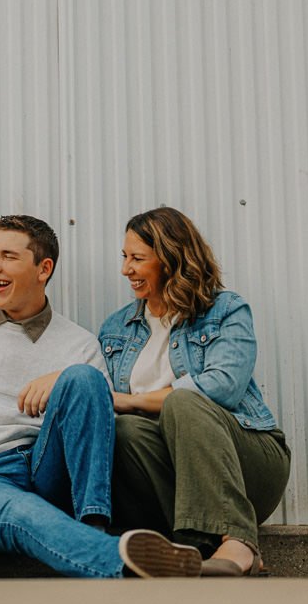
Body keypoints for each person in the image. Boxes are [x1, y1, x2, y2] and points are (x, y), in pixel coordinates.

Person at [0, 215, 139, 578]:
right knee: (26, 514)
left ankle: (94, 527)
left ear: (43, 268)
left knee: (84, 379)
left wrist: (61, 380)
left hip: (47, 466)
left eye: (8, 256)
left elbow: (98, 435)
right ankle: (124, 561)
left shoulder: (78, 343)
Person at [103, 206, 290, 578]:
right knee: (123, 432)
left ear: (171, 259)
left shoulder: (224, 310)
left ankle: (239, 545)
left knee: (185, 401)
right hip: (175, 484)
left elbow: (223, 387)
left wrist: (135, 400)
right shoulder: (116, 329)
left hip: (249, 463)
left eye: (137, 258)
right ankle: (193, 550)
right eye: (124, 257)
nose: (126, 269)